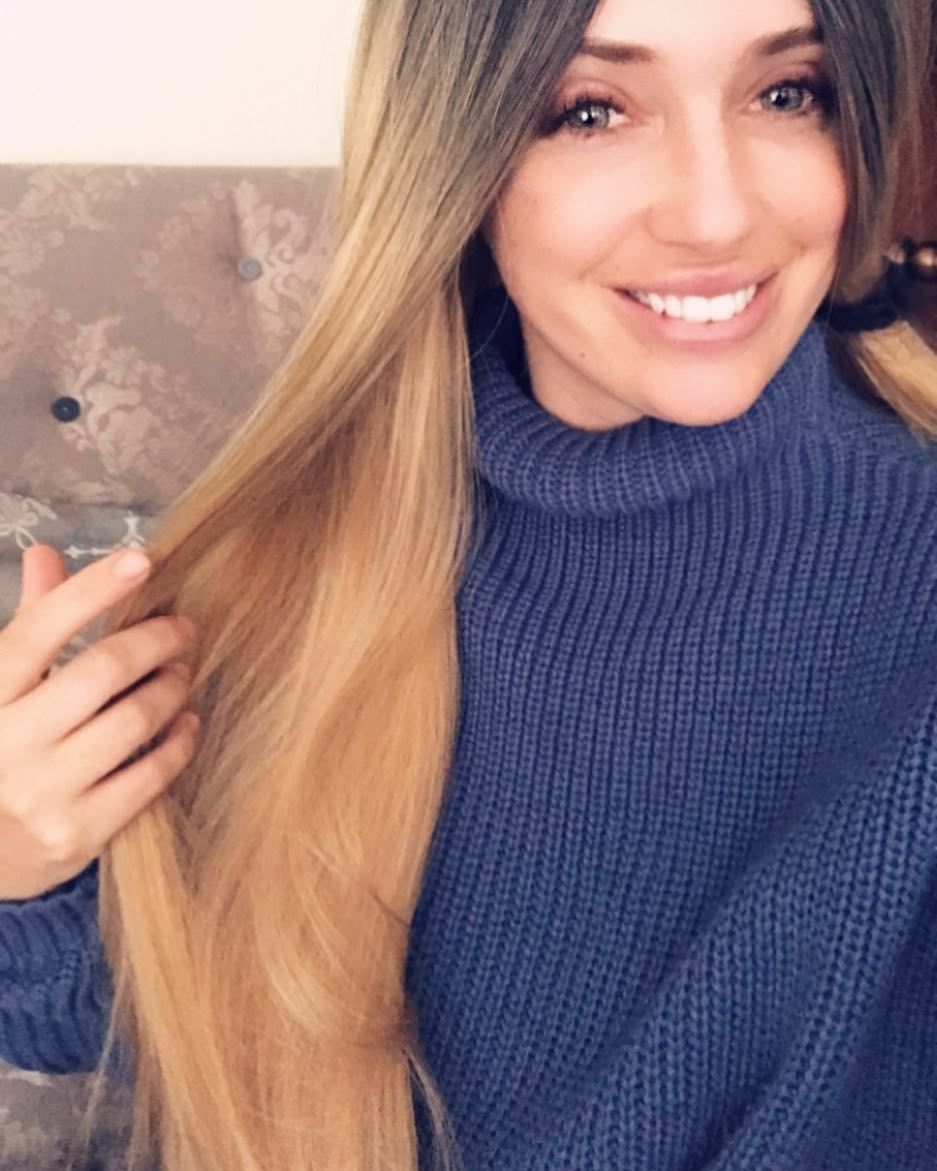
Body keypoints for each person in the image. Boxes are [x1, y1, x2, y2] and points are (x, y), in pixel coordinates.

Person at [1, 0, 936, 1167]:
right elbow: (165, 1051)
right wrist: (28, 867)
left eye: (786, 94)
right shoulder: (285, 570)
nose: (716, 212)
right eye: (591, 111)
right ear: (459, 164)